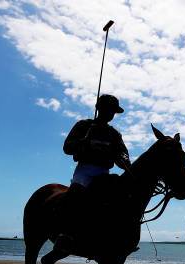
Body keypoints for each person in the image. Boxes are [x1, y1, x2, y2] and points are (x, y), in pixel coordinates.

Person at [55, 94, 131, 251]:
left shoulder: (114, 134)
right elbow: (67, 147)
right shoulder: (84, 126)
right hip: (85, 170)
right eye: (108, 109)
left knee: (121, 198)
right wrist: (83, 142)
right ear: (99, 108)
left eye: (113, 111)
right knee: (76, 194)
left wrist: (124, 160)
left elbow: (123, 154)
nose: (110, 114)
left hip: (104, 172)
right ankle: (65, 234)